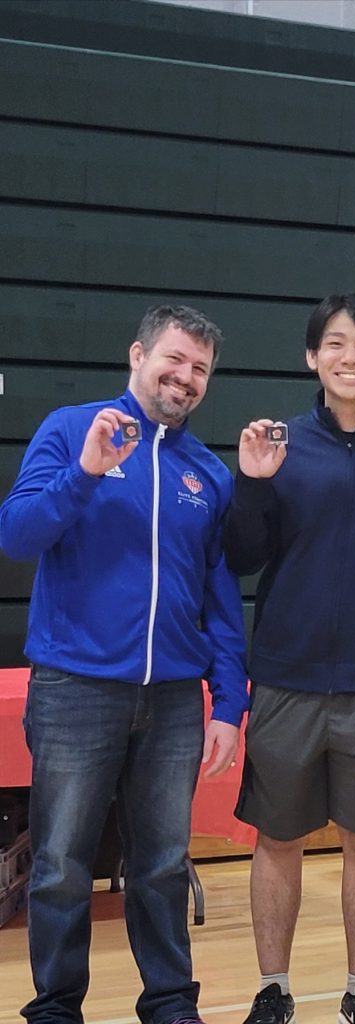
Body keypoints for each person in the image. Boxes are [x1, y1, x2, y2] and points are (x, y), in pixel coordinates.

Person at [0, 305, 248, 1024]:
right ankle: (55, 1007)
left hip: (173, 700)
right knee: (60, 866)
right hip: (75, 689)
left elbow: (220, 598)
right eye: (174, 359)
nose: (185, 377)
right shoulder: (71, 430)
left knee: (163, 864)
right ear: (137, 355)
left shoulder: (208, 473)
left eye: (200, 368)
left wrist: (230, 702)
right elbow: (16, 536)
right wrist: (84, 474)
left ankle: (170, 1003)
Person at [222, 294, 355, 1024]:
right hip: (286, 678)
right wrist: (252, 482)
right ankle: (273, 989)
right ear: (312, 357)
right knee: (277, 837)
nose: (351, 356)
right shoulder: (278, 444)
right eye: (336, 343)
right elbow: (242, 556)